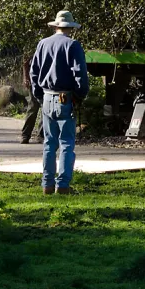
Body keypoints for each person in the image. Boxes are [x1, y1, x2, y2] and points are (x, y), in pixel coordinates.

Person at [28, 10, 88, 194]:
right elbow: (80, 75)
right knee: (67, 142)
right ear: (70, 27)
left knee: (49, 142)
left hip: (47, 96)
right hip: (65, 97)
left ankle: (47, 184)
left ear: (55, 26)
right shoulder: (73, 45)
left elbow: (34, 73)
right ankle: (63, 184)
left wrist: (39, 95)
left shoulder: (43, 44)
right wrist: (79, 95)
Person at [19, 51, 43, 145]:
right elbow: (25, 63)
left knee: (44, 109)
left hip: (45, 82)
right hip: (34, 82)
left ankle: (40, 135)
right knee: (33, 107)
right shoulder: (34, 47)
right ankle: (25, 135)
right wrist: (26, 77)